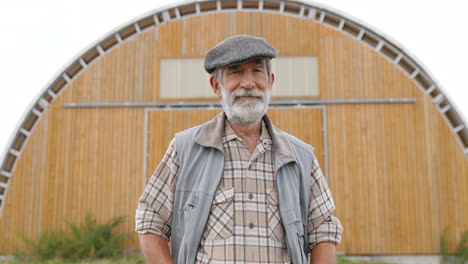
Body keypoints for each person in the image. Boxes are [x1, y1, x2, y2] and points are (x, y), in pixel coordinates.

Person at [135, 35, 343, 264]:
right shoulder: (185, 149)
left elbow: (323, 231)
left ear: (270, 81)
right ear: (217, 86)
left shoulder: (301, 157)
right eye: (235, 72)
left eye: (257, 71)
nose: (248, 83)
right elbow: (150, 219)